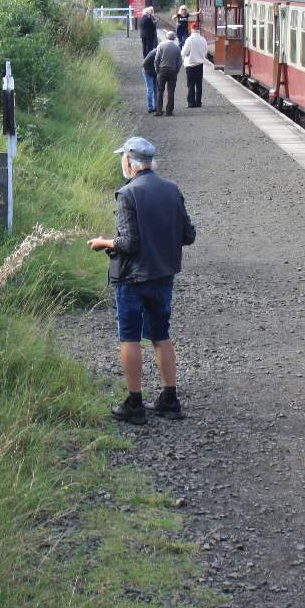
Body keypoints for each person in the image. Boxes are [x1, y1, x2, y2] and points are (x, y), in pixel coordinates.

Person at [88, 136, 197, 424]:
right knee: (161, 335)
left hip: (132, 278)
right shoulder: (172, 189)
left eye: (122, 158)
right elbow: (188, 235)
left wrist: (103, 242)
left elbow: (128, 243)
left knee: (130, 337)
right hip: (163, 275)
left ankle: (134, 403)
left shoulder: (127, 194)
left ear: (129, 161)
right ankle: (169, 399)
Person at [143, 30, 183, 116]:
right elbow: (180, 62)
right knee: (171, 91)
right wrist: (176, 71)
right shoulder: (177, 48)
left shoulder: (161, 46)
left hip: (162, 70)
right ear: (174, 38)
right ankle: (169, 111)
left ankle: (159, 111)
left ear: (166, 37)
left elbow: (156, 60)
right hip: (172, 71)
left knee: (160, 91)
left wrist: (157, 70)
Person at [181, 26, 208, 108]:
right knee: (199, 85)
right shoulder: (203, 40)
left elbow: (184, 53)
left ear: (192, 29)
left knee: (191, 84)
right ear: (198, 30)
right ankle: (198, 102)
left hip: (190, 65)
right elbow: (206, 52)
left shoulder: (189, 40)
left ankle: (191, 103)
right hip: (200, 65)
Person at [141, 43, 158, 113]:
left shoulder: (160, 53)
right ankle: (150, 107)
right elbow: (144, 64)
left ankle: (156, 106)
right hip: (147, 72)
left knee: (156, 89)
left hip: (155, 73)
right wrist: (152, 71)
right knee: (150, 89)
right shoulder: (153, 53)